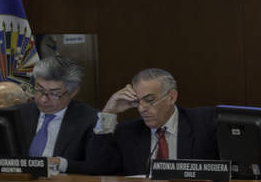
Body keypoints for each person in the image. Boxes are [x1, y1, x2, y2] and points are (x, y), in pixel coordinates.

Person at [85, 68, 217, 175]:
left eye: (149, 100)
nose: (141, 108)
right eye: (137, 101)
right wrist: (108, 112)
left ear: (171, 97)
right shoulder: (128, 132)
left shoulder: (204, 122)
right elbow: (98, 168)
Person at [18, 55, 98, 174]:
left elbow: (98, 167)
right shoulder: (18, 114)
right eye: (39, 90)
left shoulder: (91, 120)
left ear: (73, 92)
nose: (43, 100)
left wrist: (61, 164)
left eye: (54, 93)